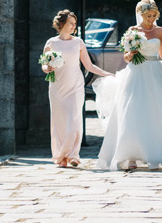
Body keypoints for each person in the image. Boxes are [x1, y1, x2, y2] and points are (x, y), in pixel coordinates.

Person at [96, 0, 162, 171]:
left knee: (158, 111)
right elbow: (126, 57)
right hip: (136, 72)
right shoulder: (133, 31)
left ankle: (155, 155)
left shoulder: (160, 31)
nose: (151, 18)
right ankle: (131, 156)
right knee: (133, 112)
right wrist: (131, 54)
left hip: (155, 73)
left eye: (153, 15)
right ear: (141, 14)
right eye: (148, 15)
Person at [42, 9, 113, 168]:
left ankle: (73, 154)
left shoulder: (78, 42)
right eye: (71, 23)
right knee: (59, 122)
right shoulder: (51, 43)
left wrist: (106, 74)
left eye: (75, 24)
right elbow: (44, 64)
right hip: (57, 86)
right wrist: (47, 68)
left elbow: (89, 66)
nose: (74, 26)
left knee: (74, 119)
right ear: (61, 24)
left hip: (75, 85)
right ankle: (61, 157)